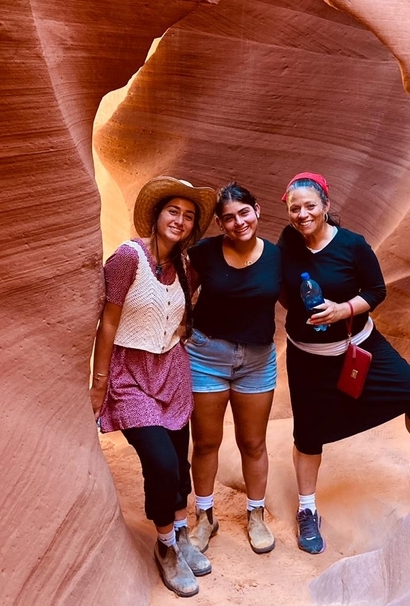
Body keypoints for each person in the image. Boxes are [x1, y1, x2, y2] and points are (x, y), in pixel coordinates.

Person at [277, 172, 410, 555]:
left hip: (359, 344)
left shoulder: (353, 246)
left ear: (326, 207)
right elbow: (283, 290)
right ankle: (307, 510)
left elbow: (376, 290)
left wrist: (341, 310)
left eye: (310, 206)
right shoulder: (287, 243)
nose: (303, 214)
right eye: (295, 208)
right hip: (308, 358)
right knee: (308, 435)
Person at [89, 176, 217, 598]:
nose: (180, 221)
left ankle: (180, 535)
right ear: (157, 215)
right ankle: (165, 546)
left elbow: (179, 309)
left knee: (178, 463)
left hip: (173, 372)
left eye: (189, 215)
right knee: (160, 464)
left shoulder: (185, 264)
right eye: (173, 211)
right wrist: (99, 383)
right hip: (130, 376)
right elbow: (108, 320)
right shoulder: (128, 257)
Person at [184, 183, 282, 555]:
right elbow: (182, 294)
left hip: (257, 361)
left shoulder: (277, 257)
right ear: (221, 224)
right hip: (208, 356)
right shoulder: (204, 254)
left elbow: (295, 296)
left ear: (257, 210)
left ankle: (255, 515)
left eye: (244, 213)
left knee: (253, 443)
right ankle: (205, 517)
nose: (238, 222)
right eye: (229, 218)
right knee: (207, 442)